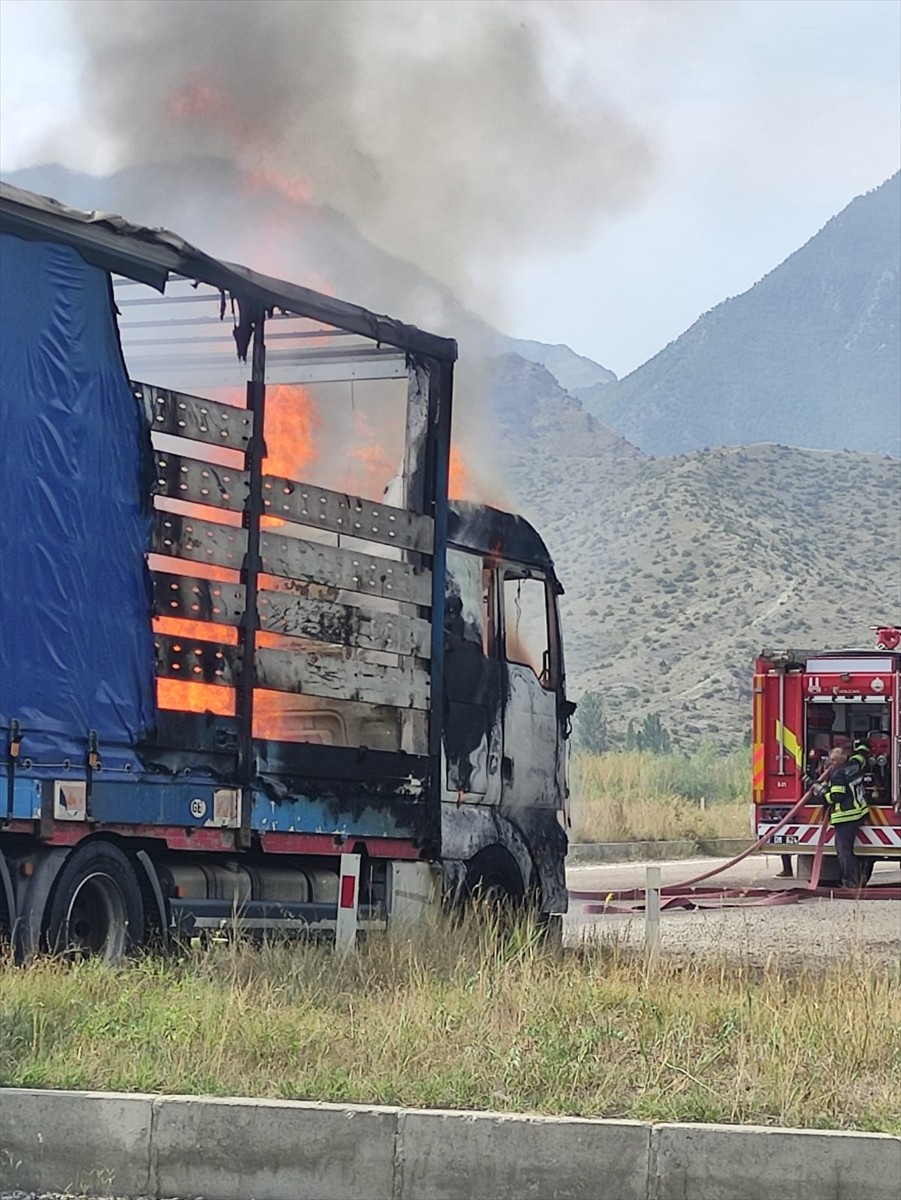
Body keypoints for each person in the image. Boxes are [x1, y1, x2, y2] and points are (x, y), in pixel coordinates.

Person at [817, 741, 870, 888]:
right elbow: (861, 756)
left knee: (844, 852)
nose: (831, 762)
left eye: (833, 760)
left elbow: (836, 798)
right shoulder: (854, 766)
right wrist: (862, 745)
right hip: (858, 813)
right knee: (848, 850)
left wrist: (822, 792)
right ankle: (856, 879)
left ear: (840, 760)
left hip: (845, 817)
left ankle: (851, 882)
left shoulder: (837, 775)